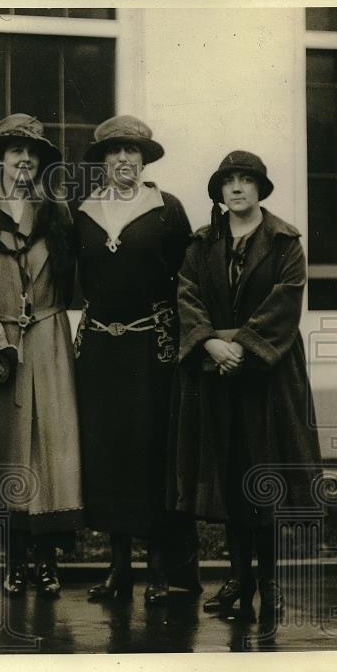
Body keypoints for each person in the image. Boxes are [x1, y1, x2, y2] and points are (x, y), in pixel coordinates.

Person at [169, 150, 322, 619]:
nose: (236, 188)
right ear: (219, 191)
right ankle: (239, 578)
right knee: (232, 475)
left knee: (266, 475)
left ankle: (272, 582)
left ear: (260, 188)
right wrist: (211, 345)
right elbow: (187, 295)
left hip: (269, 377)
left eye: (246, 180)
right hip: (217, 373)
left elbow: (285, 302)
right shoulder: (200, 244)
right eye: (228, 181)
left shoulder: (283, 242)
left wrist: (245, 348)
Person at [72, 115, 200, 605]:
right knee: (108, 456)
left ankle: (160, 571)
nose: (124, 159)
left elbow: (187, 281)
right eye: (115, 152)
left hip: (153, 349)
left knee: (151, 455)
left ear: (144, 159)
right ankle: (117, 567)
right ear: (102, 161)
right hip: (101, 349)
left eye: (133, 151)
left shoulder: (168, 210)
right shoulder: (81, 211)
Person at [0, 114, 83, 597]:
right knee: (10, 449)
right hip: (0, 342)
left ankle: (48, 561)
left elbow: (72, 276)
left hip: (49, 337)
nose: (25, 160)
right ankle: (13, 561)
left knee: (52, 447)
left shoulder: (58, 211)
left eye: (32, 153)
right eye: (15, 152)